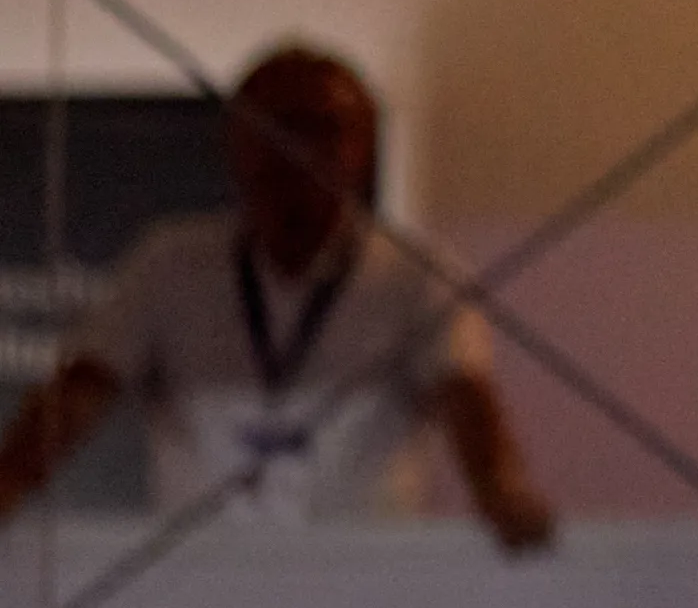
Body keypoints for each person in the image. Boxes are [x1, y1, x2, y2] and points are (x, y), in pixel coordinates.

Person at [0, 45, 552, 549]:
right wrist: (11, 481)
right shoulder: (169, 264)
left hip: (363, 573)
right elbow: (81, 391)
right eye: (272, 127)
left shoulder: (417, 275)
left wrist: (499, 487)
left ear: (361, 147)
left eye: (321, 128)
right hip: (194, 576)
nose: (293, 149)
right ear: (233, 142)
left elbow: (464, 398)